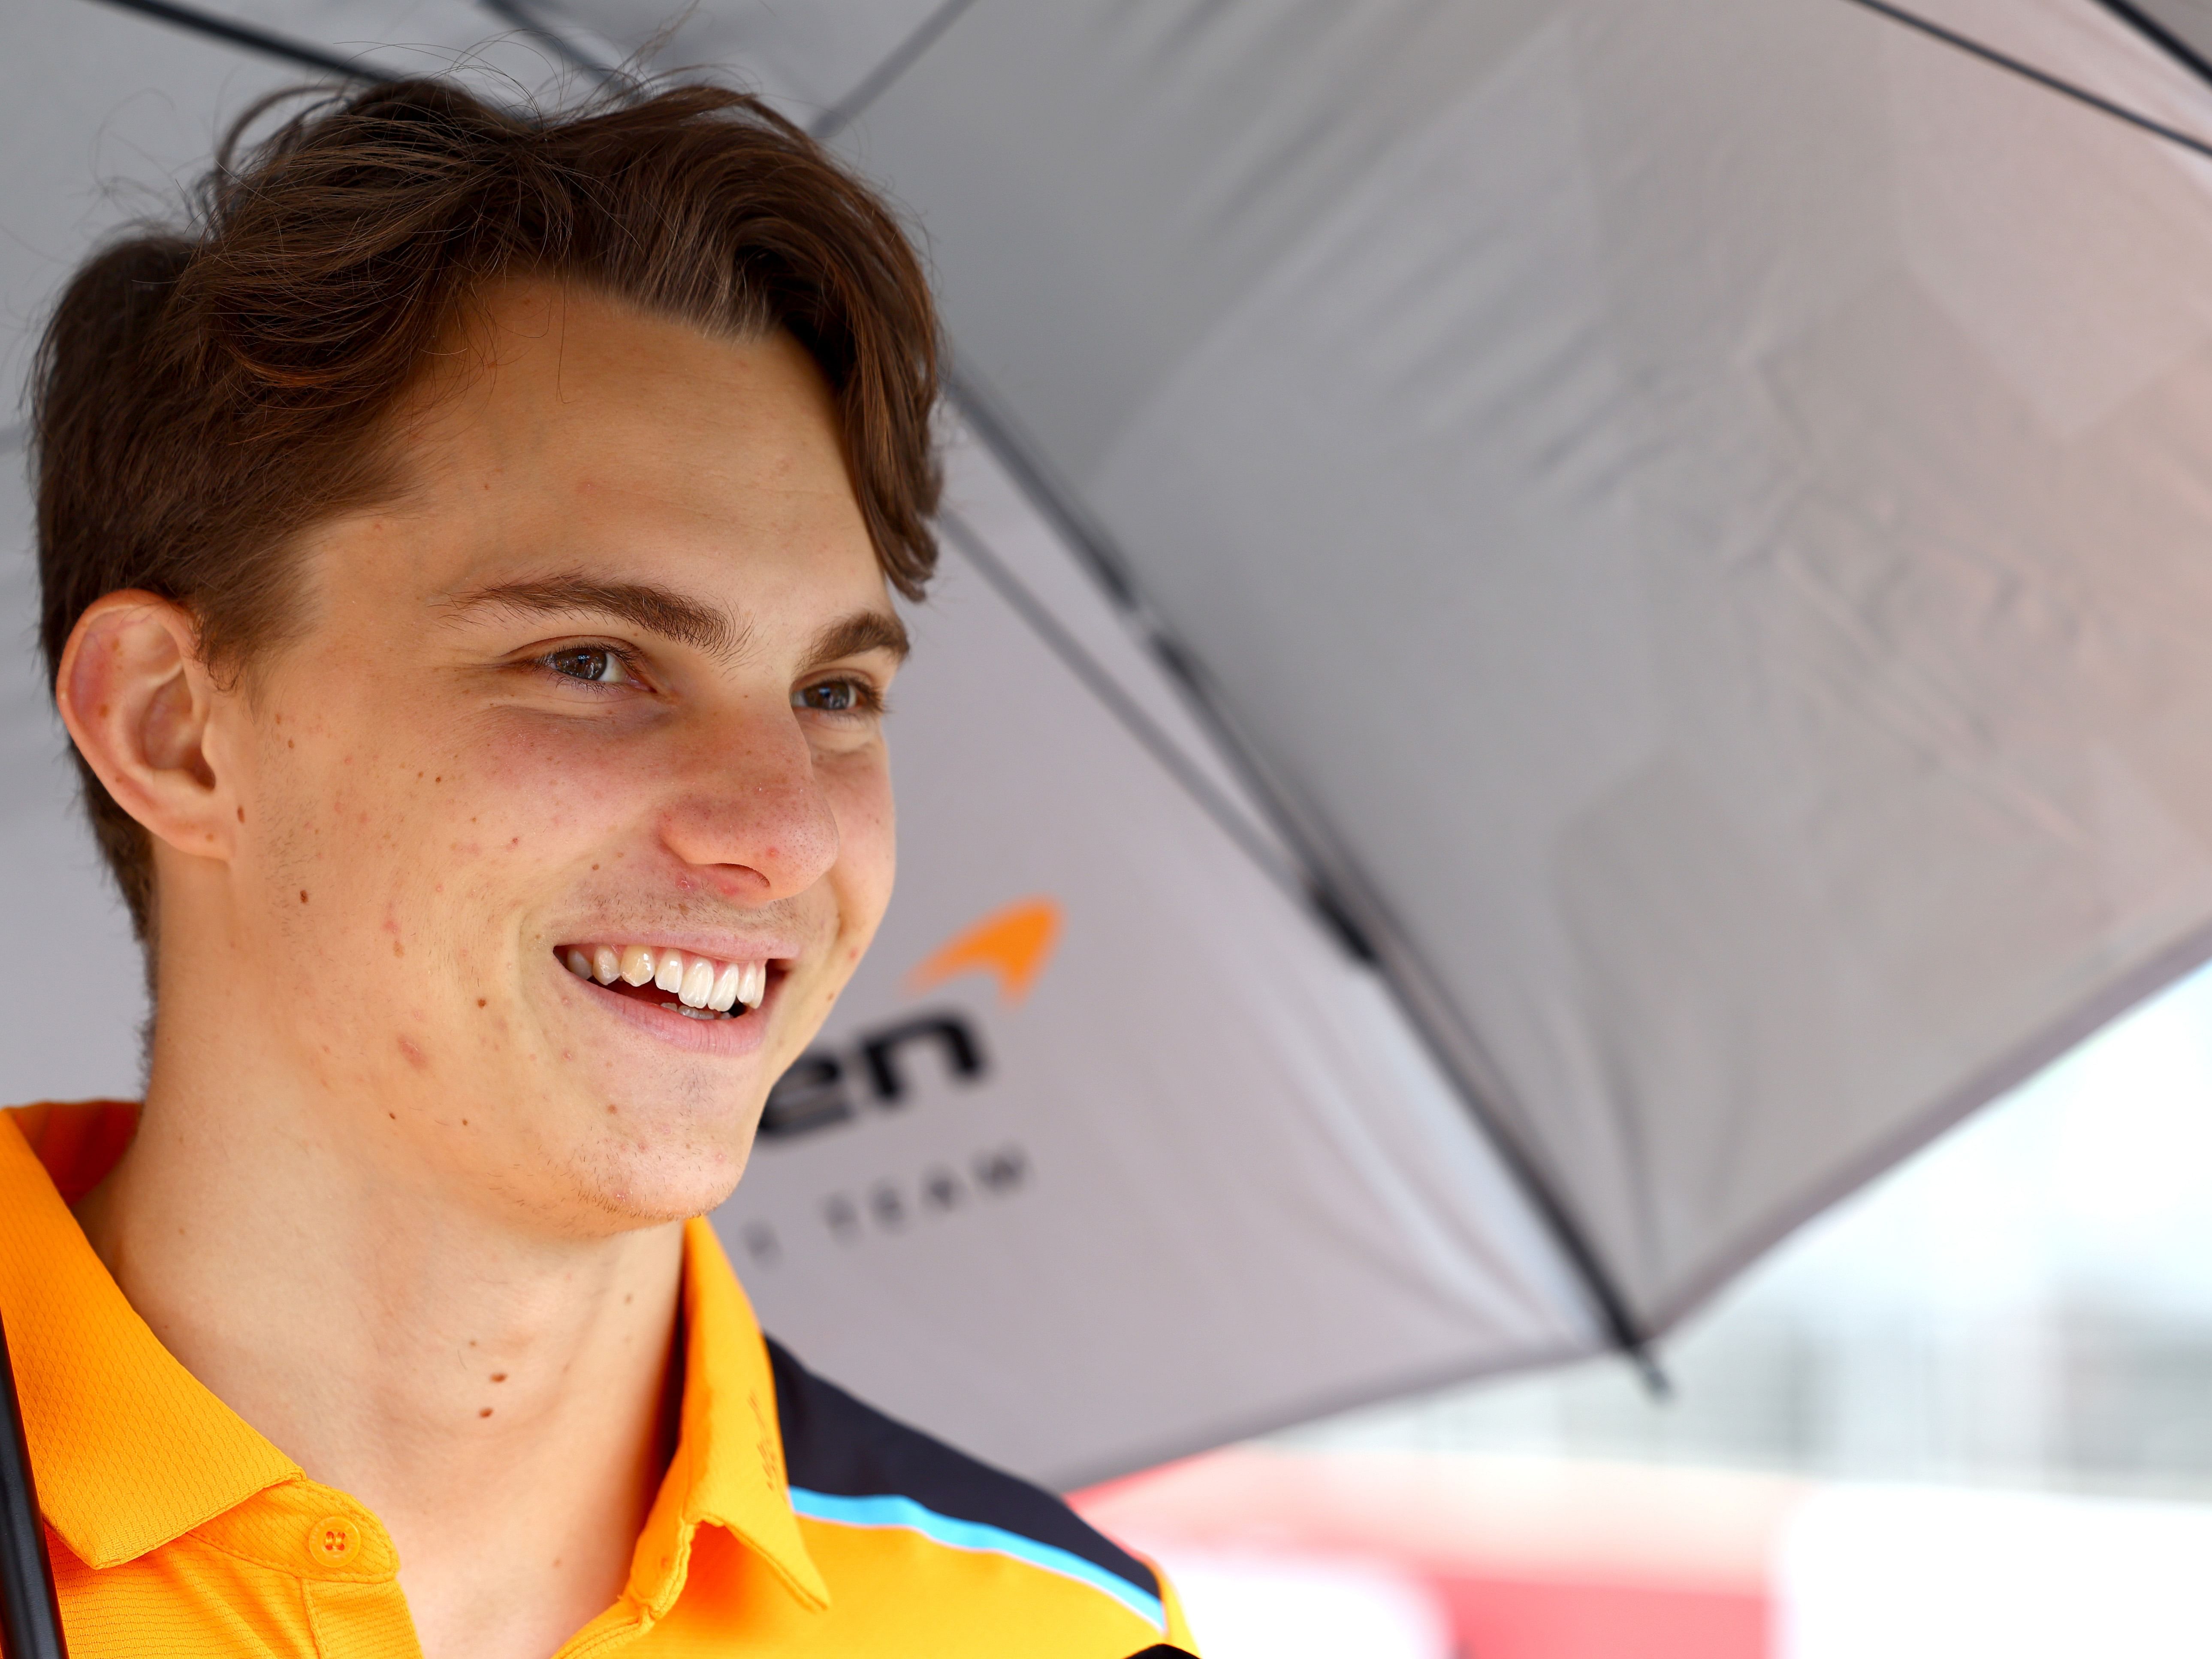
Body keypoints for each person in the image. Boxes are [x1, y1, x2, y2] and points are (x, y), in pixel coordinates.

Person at [3, 77, 1197, 1659]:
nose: (775, 831)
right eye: (591, 660)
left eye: (834, 694)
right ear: (177, 730)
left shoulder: (1060, 1634)